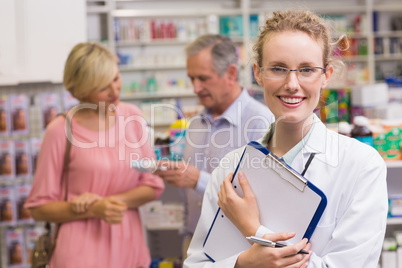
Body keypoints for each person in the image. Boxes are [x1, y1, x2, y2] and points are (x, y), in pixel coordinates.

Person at [184, 10, 388, 267]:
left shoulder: (362, 165)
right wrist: (243, 263)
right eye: (278, 68)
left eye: (306, 69)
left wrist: (254, 230)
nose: (292, 83)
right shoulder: (229, 167)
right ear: (258, 73)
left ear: (326, 75)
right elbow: (197, 264)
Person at [24, 42, 165, 268]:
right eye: (102, 86)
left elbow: (153, 184)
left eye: (116, 78)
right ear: (81, 89)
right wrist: (92, 209)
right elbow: (38, 208)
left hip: (129, 248)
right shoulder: (60, 130)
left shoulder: (132, 117)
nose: (114, 90)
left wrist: (108, 203)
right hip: (79, 254)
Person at [154, 34, 274, 259]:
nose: (195, 88)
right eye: (191, 79)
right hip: (194, 244)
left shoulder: (260, 122)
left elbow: (261, 198)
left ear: (230, 73)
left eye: (203, 78)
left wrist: (197, 179)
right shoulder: (196, 123)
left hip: (238, 250)